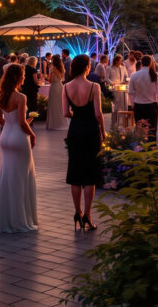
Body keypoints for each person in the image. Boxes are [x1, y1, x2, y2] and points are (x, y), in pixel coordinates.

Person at [0, 63, 38, 233]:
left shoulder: (1, 94)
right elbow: (22, 123)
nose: (24, 77)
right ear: (17, 77)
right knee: (22, 178)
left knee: (7, 178)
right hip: (18, 138)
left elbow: (0, 119)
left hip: (5, 137)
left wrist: (12, 124)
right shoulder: (20, 97)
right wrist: (32, 134)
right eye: (22, 75)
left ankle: (4, 217)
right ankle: (20, 220)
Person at [63, 55, 104, 231]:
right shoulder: (94, 87)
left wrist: (77, 115)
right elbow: (98, 114)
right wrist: (103, 132)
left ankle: (77, 212)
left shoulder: (66, 87)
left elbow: (65, 113)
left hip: (75, 131)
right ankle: (87, 214)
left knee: (75, 173)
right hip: (91, 131)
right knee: (90, 175)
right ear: (87, 67)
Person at [128, 55, 158, 141]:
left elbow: (131, 92)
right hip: (152, 105)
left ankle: (139, 149)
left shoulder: (134, 75)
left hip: (139, 106)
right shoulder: (155, 75)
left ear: (141, 63)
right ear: (151, 63)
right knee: (152, 130)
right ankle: (152, 149)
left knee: (139, 130)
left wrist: (133, 104)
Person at [45, 56, 68, 131]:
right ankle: (62, 123)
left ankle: (54, 124)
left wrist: (45, 76)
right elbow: (62, 79)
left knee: (53, 105)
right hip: (60, 86)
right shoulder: (62, 69)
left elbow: (50, 80)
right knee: (60, 105)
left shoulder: (52, 68)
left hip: (54, 87)